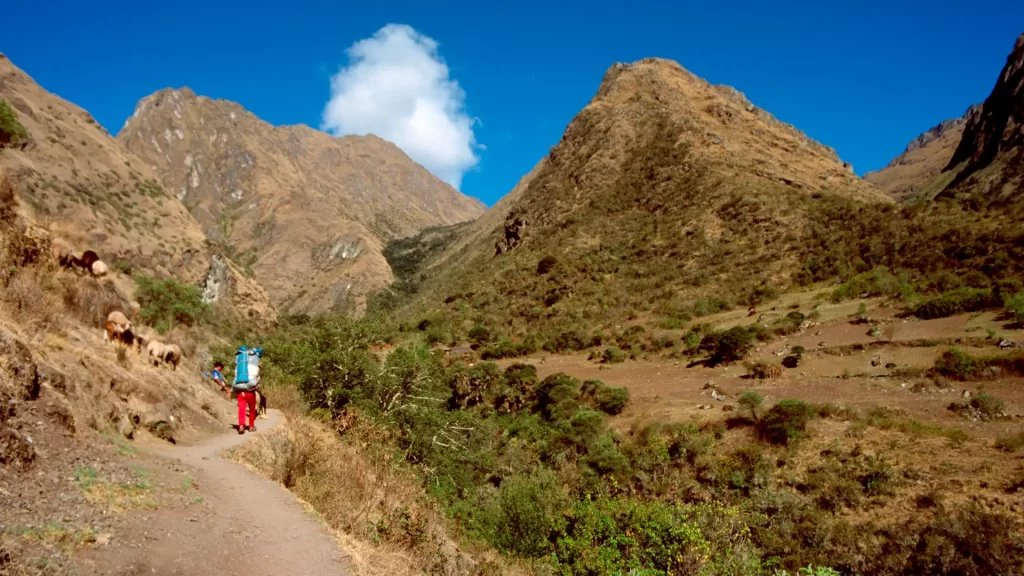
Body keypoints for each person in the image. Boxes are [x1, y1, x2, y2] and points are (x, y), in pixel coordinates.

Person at [232, 346, 259, 434]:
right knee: (252, 410)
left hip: (241, 393)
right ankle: (251, 426)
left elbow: (235, 379)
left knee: (241, 410)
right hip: (250, 393)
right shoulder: (253, 365)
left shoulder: (239, 367)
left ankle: (241, 426)